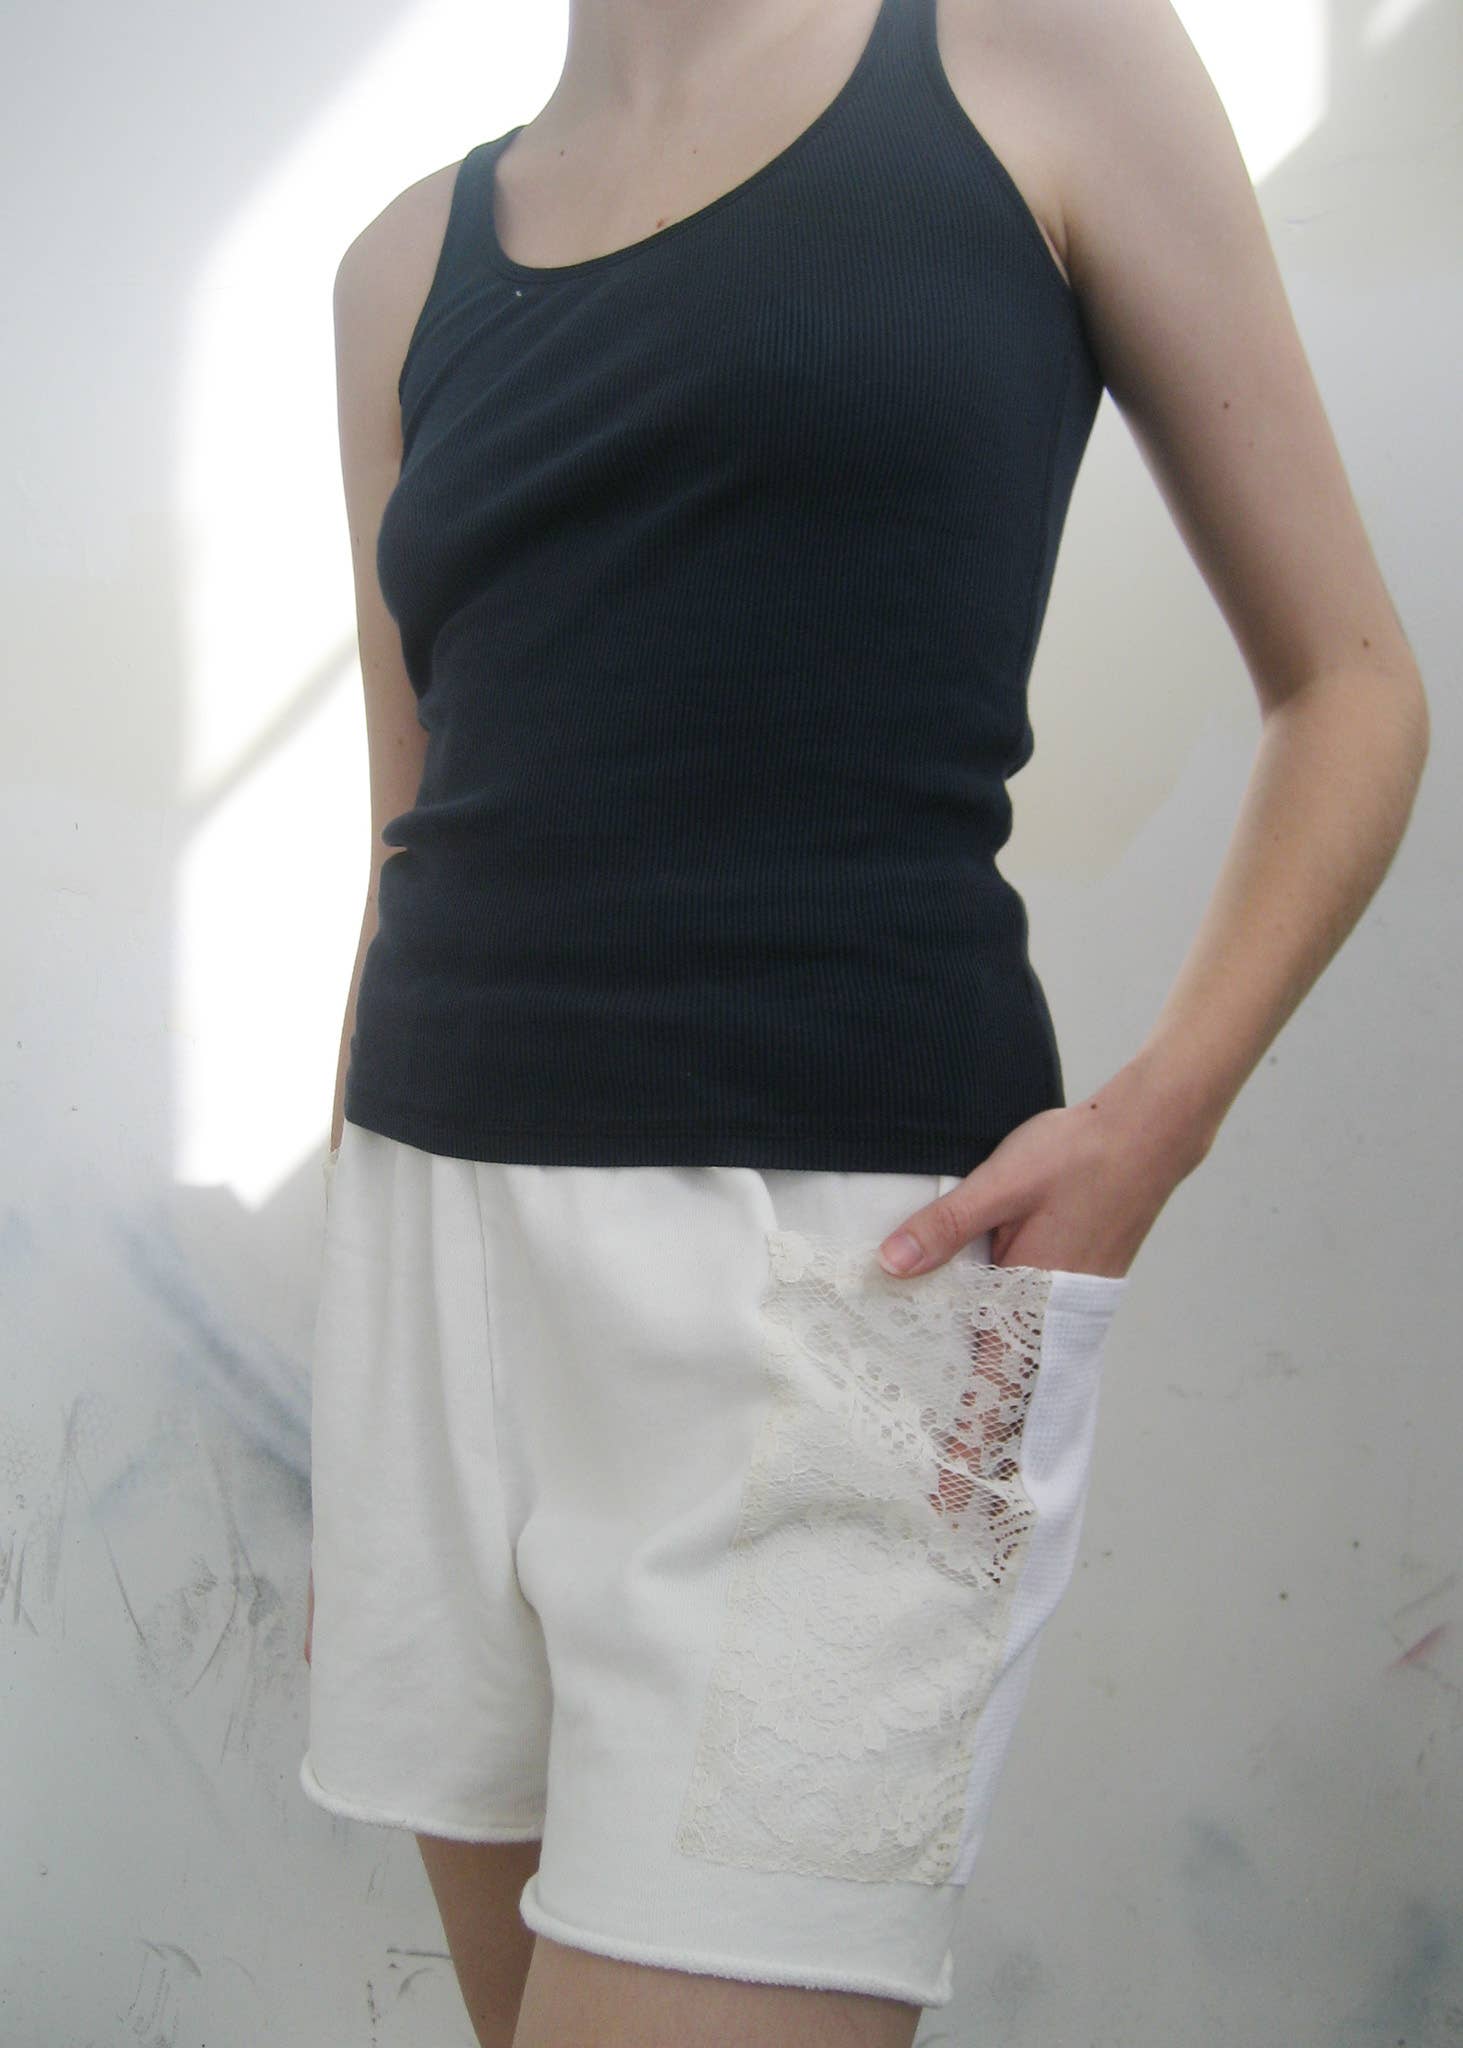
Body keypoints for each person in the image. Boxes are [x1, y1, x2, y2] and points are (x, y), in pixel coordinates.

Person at [298, 0, 1429, 2043]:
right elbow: (415, 828)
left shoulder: (1039, 63)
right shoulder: (398, 268)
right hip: (439, 1273)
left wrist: (1156, 1124)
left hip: (855, 1286)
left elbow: (1352, 688)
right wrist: (366, 1323)